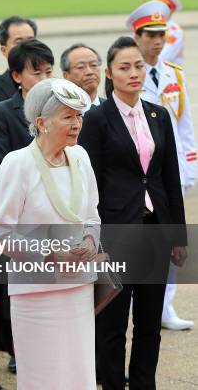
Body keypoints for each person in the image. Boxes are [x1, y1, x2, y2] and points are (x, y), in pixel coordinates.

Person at [78, 36, 187, 390]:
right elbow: (88, 181)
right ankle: (111, 384)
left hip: (154, 230)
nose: (134, 73)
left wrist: (178, 236)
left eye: (139, 65)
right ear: (109, 73)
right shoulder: (96, 119)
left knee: (149, 324)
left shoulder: (158, 115)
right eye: (124, 67)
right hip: (116, 232)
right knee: (112, 325)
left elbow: (170, 177)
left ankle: (144, 384)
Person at [0, 78, 98, 389]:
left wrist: (90, 242)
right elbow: (0, 231)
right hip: (35, 293)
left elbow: (92, 214)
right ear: (41, 122)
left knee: (79, 371)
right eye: (67, 116)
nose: (77, 123)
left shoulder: (80, 157)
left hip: (77, 287)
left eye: (79, 116)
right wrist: (50, 254)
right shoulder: (17, 163)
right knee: (44, 375)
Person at [128, 0, 196, 330]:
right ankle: (132, 300)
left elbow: (185, 124)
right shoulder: (127, 70)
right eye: (150, 35)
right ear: (137, 36)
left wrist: (191, 167)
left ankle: (165, 305)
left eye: (161, 34)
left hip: (173, 170)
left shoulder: (174, 74)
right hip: (140, 174)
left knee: (172, 238)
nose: (158, 41)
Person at [0, 39, 55, 180]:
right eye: (36, 73)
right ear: (17, 76)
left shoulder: (61, 108)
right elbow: (2, 164)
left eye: (48, 72)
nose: (44, 79)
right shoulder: (1, 113)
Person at [0, 16, 37, 101]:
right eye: (19, 42)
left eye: (31, 40)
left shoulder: (48, 82)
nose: (27, 46)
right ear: (4, 50)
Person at [61, 43, 104, 109]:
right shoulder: (60, 112)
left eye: (94, 65)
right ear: (66, 75)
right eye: (81, 67)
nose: (89, 72)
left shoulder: (114, 108)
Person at [155, 0, 184, 66]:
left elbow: (165, 57)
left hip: (170, 76)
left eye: (162, 6)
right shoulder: (152, 26)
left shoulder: (175, 31)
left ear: (171, 9)